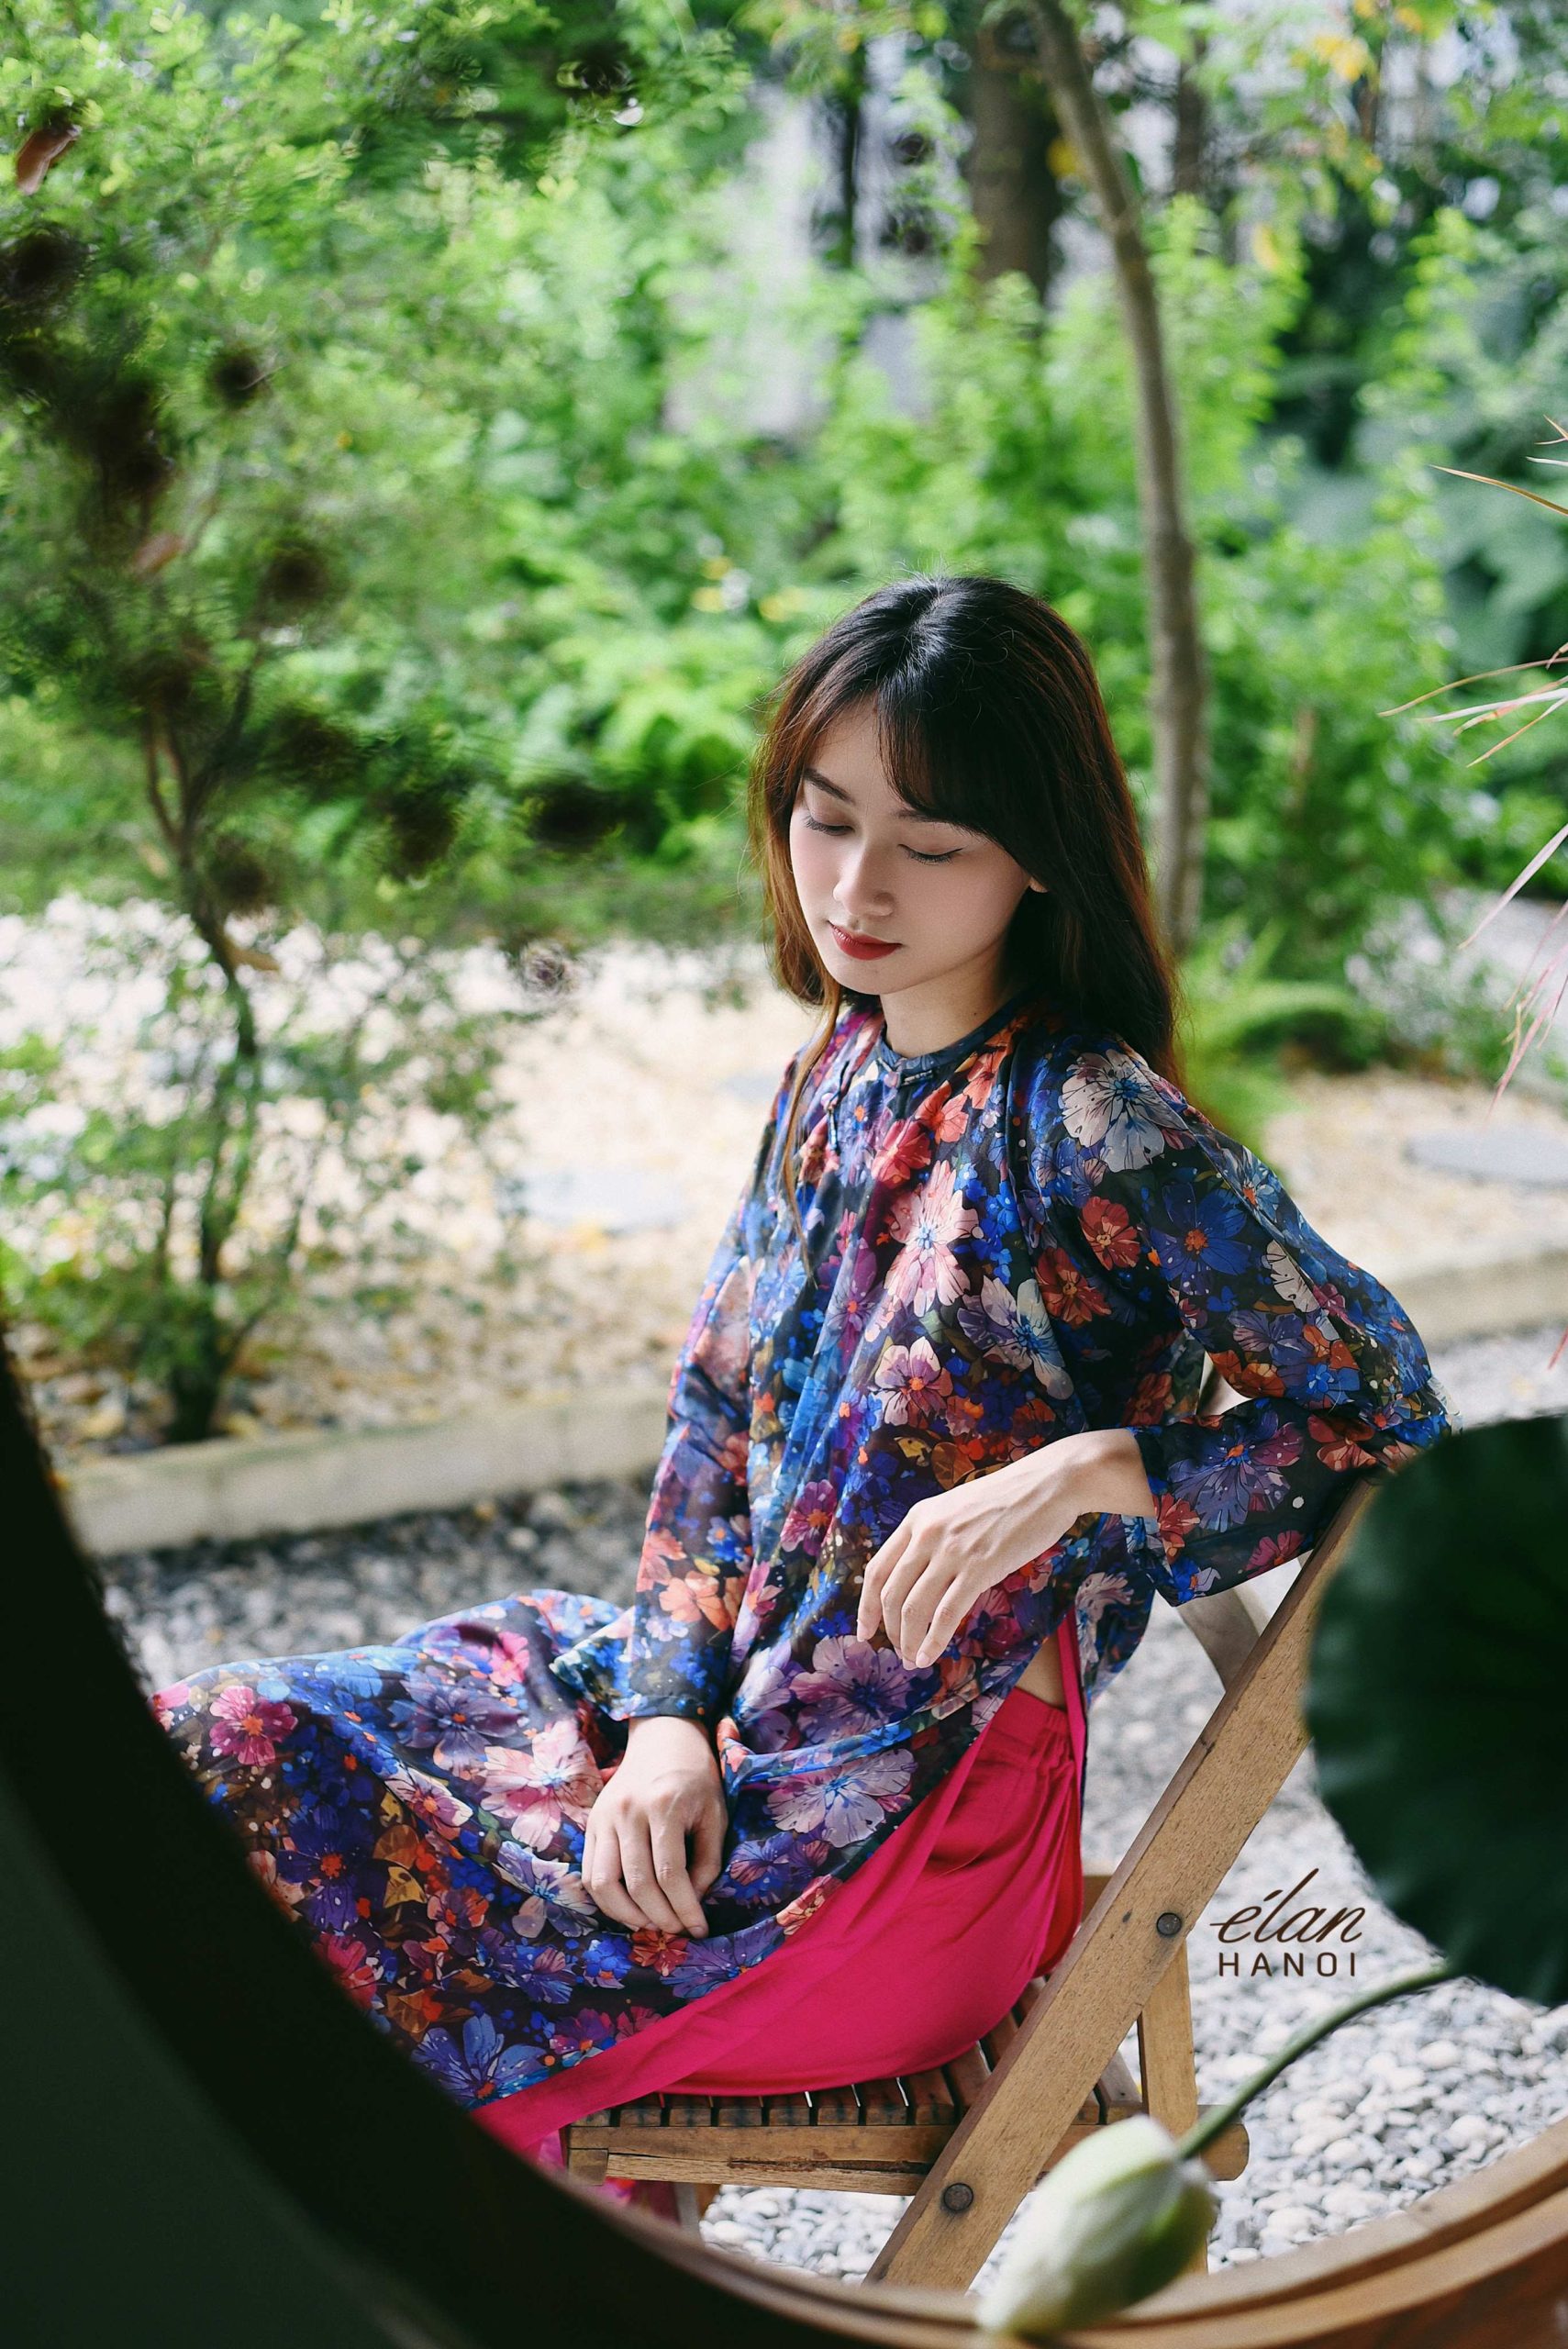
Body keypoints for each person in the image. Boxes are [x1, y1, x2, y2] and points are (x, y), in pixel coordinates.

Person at [153, 573, 1454, 2210]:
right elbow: (713, 1434)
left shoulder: (1093, 1124)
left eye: (929, 844)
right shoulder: (832, 1071)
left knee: (257, 1803)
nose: (853, 886)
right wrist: (664, 1725)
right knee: (210, 1739)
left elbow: (1386, 1414)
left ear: (1038, 851)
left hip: (887, 1856)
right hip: (731, 1737)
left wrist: (1089, 1471)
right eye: (823, 819)